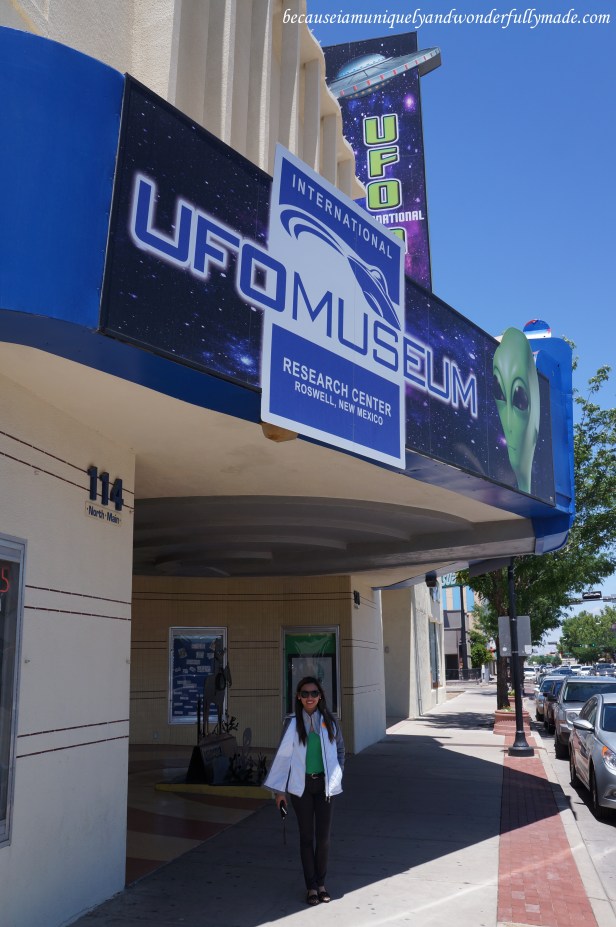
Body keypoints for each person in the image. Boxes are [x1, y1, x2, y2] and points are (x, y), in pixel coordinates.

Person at [264, 676, 345, 905]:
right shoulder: (291, 724)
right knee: (306, 837)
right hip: (301, 788)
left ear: (320, 696)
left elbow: (340, 750)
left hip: (325, 787)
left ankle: (321, 884)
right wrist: (279, 792)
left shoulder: (330, 721)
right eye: (305, 693)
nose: (310, 697)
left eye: (314, 693)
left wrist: (338, 774)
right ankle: (311, 887)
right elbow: (283, 758)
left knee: (324, 839)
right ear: (298, 697)